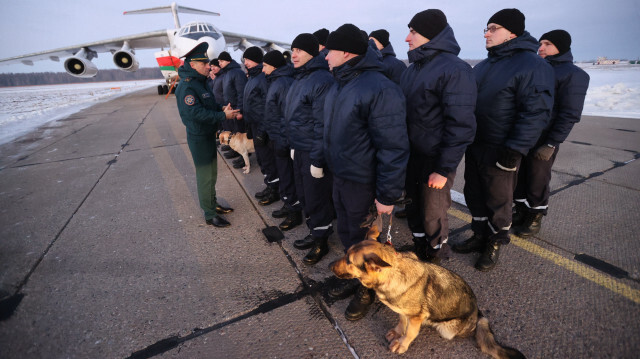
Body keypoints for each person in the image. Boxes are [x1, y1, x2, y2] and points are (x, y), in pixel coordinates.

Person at [452, 8, 555, 271]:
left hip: (503, 149)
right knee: (474, 193)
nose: (487, 33)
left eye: (493, 28)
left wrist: (516, 148)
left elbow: (536, 112)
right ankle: (479, 234)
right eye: (486, 28)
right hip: (477, 145)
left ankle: (494, 242)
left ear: (512, 32)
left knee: (499, 200)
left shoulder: (533, 65)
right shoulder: (484, 66)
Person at [323, 24, 409, 321]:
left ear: (346, 52)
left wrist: (387, 194)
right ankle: (353, 274)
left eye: (330, 50)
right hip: (343, 176)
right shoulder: (340, 84)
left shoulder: (379, 88)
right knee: (347, 230)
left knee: (367, 240)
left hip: (365, 181)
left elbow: (393, 147)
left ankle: (367, 290)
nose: (325, 56)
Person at [400, 10, 477, 264]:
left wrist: (443, 169)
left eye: (413, 32)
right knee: (414, 209)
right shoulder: (412, 70)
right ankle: (420, 247)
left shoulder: (455, 70)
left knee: (433, 213)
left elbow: (461, 125)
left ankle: (436, 257)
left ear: (431, 35)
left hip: (435, 159)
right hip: (412, 156)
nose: (407, 38)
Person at [513, 30, 589, 237]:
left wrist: (552, 143)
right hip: (525, 134)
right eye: (540, 43)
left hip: (545, 138)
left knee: (538, 177)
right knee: (519, 176)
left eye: (547, 44)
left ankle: (535, 216)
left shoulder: (574, 75)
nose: (541, 48)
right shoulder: (537, 69)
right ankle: (520, 211)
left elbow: (569, 113)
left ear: (561, 47)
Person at [284, 33, 335, 265]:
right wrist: (295, 146)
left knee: (317, 198)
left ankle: (321, 240)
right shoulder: (300, 78)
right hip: (300, 148)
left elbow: (321, 124)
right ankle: (314, 230)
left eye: (299, 50)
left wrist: (317, 159)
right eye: (292, 50)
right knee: (305, 195)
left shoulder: (321, 80)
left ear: (312, 53)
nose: (293, 54)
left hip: (313, 151)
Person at [174, 42, 239, 227]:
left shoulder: (200, 83)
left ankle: (212, 203)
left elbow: (207, 106)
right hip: (199, 137)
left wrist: (221, 108)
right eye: (204, 63)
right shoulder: (187, 87)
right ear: (193, 64)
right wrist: (222, 115)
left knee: (212, 173)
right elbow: (194, 113)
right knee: (205, 176)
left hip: (207, 134)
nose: (208, 66)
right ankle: (210, 214)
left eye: (207, 63)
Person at [262, 50, 303, 232]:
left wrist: (283, 141)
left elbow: (286, 115)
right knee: (284, 175)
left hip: (282, 139)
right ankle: (288, 205)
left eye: (265, 65)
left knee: (288, 176)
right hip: (276, 137)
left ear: (274, 66)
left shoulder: (283, 83)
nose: (263, 70)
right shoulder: (275, 81)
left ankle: (294, 211)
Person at [241, 47, 281, 205]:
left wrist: (263, 131)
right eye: (244, 60)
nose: (245, 63)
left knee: (268, 161)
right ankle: (269, 184)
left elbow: (267, 106)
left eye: (248, 60)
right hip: (254, 125)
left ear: (257, 60)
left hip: (262, 128)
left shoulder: (262, 78)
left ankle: (275, 190)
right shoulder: (252, 77)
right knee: (263, 160)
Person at [218, 51, 247, 160]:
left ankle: (243, 156)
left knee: (240, 134)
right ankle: (235, 150)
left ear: (228, 61)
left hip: (236, 109)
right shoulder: (226, 73)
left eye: (221, 61)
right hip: (230, 109)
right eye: (219, 61)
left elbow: (241, 92)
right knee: (233, 132)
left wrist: (240, 110)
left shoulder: (237, 72)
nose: (219, 63)